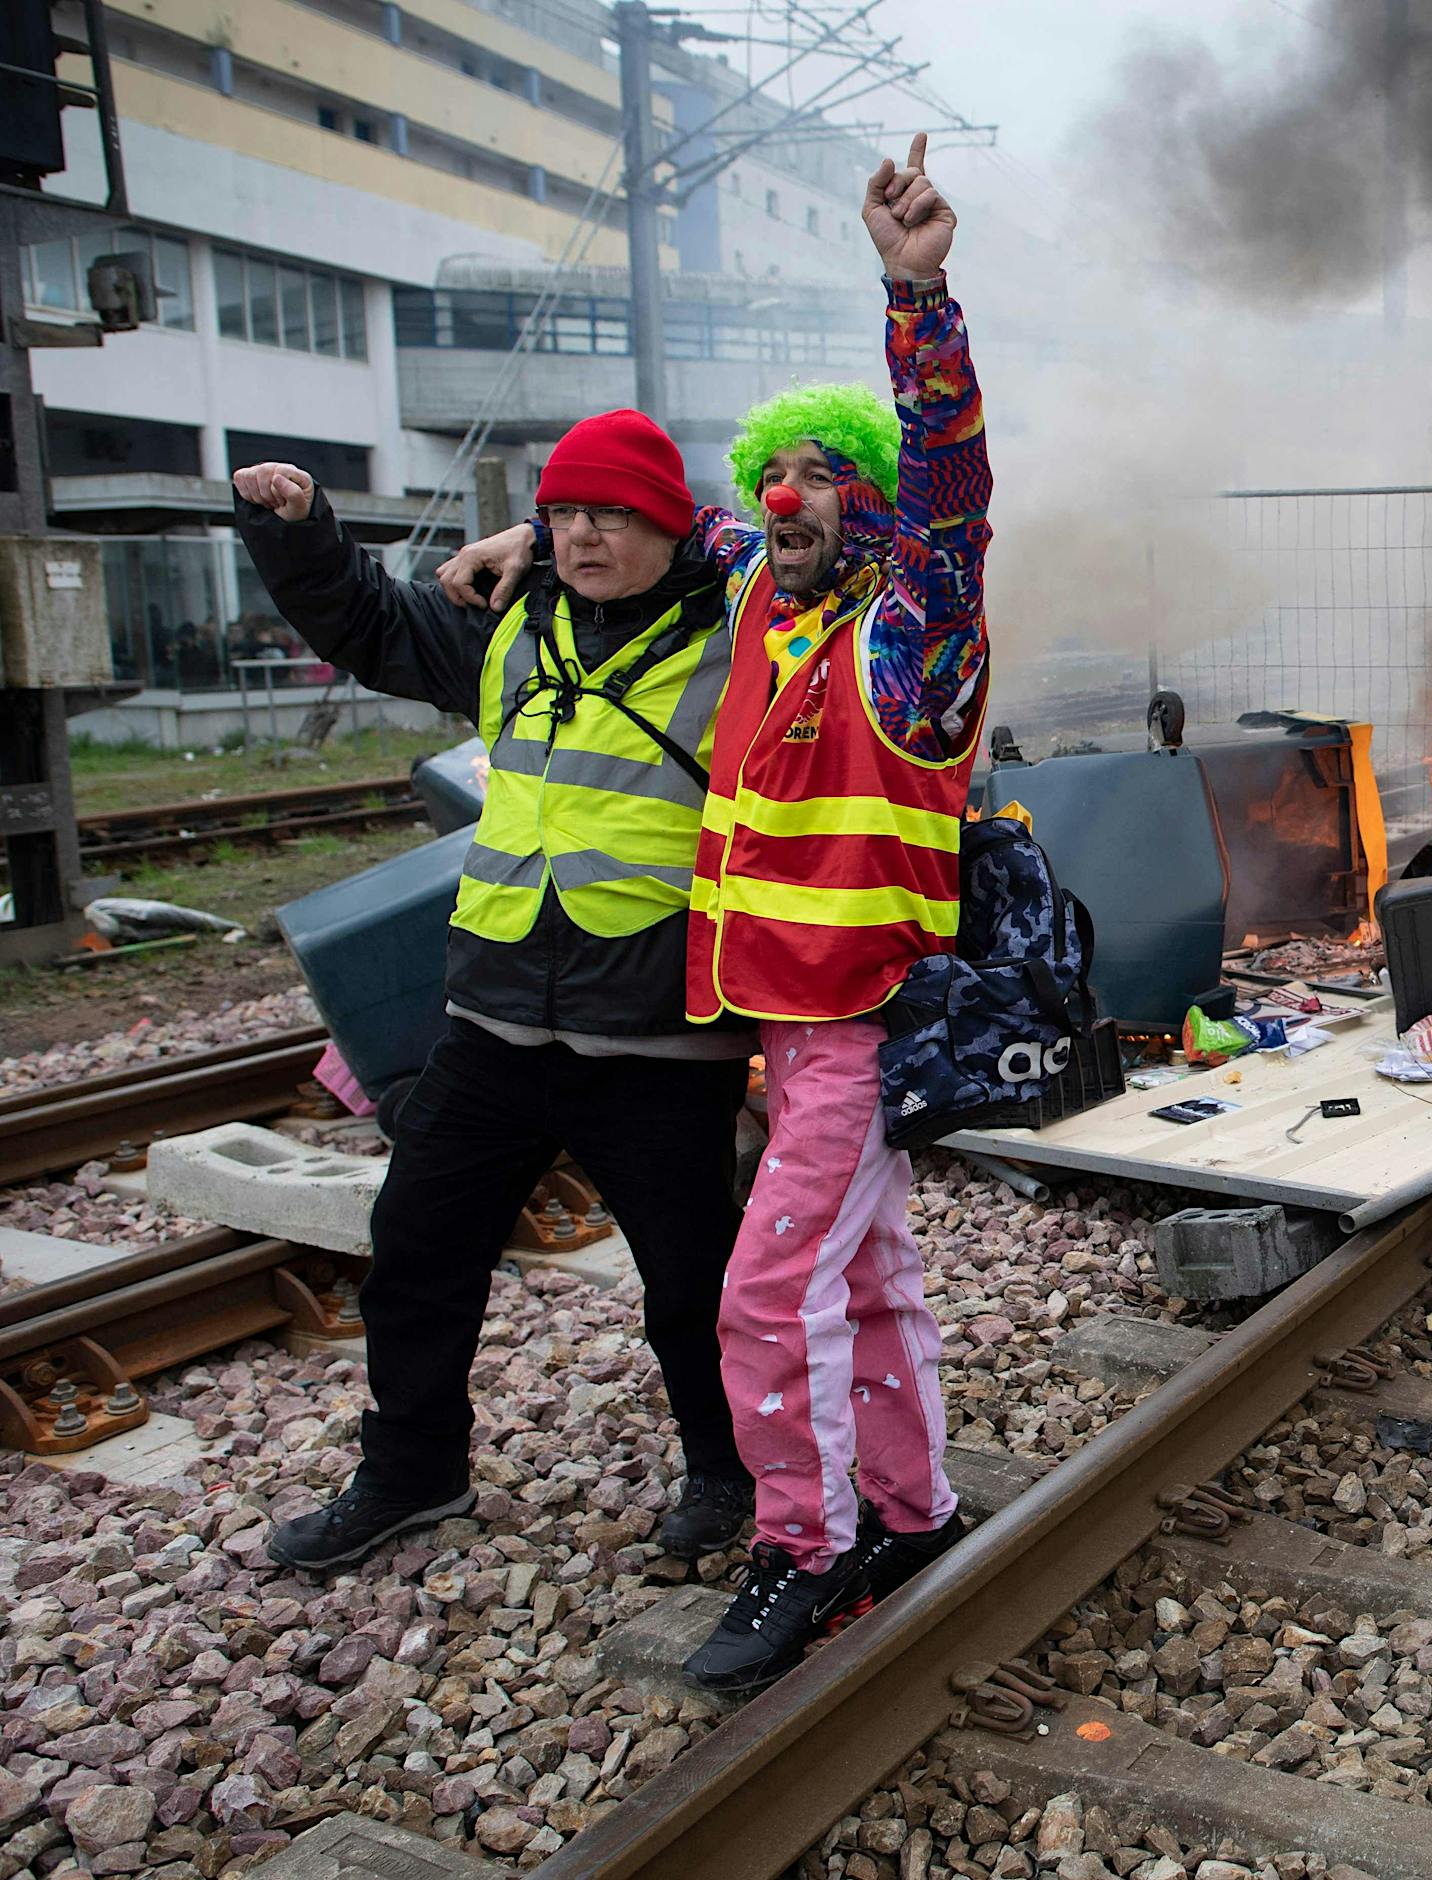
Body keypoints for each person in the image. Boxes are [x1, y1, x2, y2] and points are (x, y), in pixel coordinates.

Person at [443, 134, 990, 1690]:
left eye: (826, 475)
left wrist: (919, 297)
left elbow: (949, 485)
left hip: (862, 1031)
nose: (787, 496)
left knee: (765, 1297)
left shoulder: (912, 632)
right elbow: (694, 530)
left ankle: (801, 1551)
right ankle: (910, 1509)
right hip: (784, 1033)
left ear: (872, 502)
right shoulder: (766, 597)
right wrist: (518, 550)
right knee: (869, 1281)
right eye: (777, 474)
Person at [229, 413, 759, 1573]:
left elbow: (824, 559)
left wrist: (542, 526)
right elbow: (366, 623)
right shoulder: (511, 621)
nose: (579, 534)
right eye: (563, 511)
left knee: (690, 1280)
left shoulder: (746, 631)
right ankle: (412, 1471)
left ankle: (726, 1469)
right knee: (414, 1245)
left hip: (659, 1031)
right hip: (497, 1016)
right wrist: (300, 533)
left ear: (673, 522)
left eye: (609, 512)